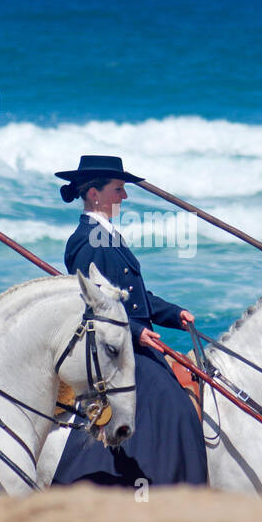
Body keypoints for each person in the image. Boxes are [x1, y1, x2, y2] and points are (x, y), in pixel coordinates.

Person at [50, 154, 208, 487]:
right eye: (119, 189)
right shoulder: (85, 239)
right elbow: (93, 302)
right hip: (116, 348)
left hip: (132, 339)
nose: (125, 196)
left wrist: (172, 313)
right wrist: (136, 333)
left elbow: (133, 296)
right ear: (95, 194)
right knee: (173, 404)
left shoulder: (106, 234)